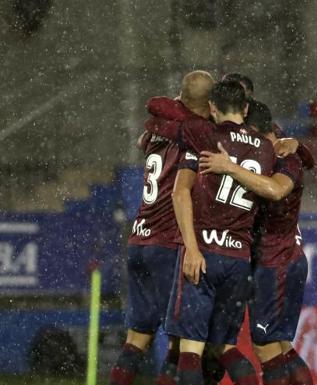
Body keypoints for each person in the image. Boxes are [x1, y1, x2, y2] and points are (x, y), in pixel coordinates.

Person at [145, 80, 276, 385]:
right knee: (225, 345)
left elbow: (156, 118)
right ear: (245, 108)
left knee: (189, 346)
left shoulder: (205, 134)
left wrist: (191, 248)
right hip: (239, 259)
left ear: (213, 109)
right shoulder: (267, 148)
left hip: (203, 252)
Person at [109, 70, 215, 385]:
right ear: (209, 104)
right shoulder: (198, 133)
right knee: (181, 342)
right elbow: (181, 190)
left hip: (140, 238)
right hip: (169, 243)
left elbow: (153, 115)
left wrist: (180, 105)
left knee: (136, 339)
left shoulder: (157, 131)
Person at [199, 100, 314, 385]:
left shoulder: (284, 158)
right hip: (283, 258)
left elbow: (276, 190)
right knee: (282, 346)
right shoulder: (280, 150)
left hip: (276, 262)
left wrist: (229, 167)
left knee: (265, 346)